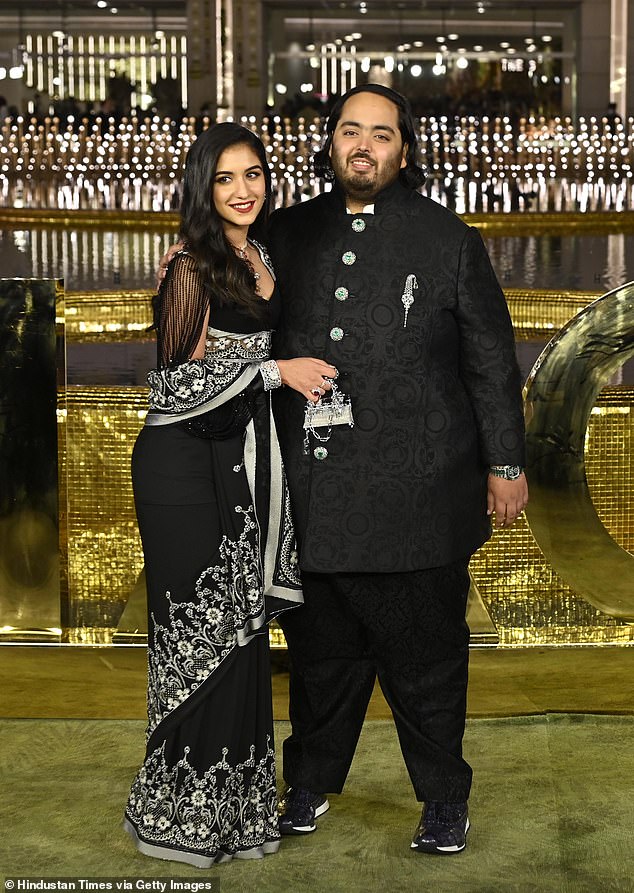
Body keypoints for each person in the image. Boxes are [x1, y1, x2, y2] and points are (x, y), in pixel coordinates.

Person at [157, 85, 528, 857]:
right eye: (351, 131)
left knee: (426, 667)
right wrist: (190, 258)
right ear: (330, 145)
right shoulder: (283, 234)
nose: (365, 145)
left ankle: (444, 800)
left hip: (421, 499)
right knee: (321, 662)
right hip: (310, 496)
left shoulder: (449, 238)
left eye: (381, 134)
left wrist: (505, 463)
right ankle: (308, 784)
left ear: (403, 148)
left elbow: (491, 363)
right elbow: (229, 299)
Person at [125, 121, 336, 867]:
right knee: (199, 632)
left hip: (244, 460)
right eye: (225, 179)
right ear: (202, 187)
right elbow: (175, 383)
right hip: (183, 466)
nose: (243, 190)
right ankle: (177, 815)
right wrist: (280, 372)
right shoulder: (188, 266)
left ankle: (237, 813)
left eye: (254, 175)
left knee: (242, 633)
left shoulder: (261, 251)